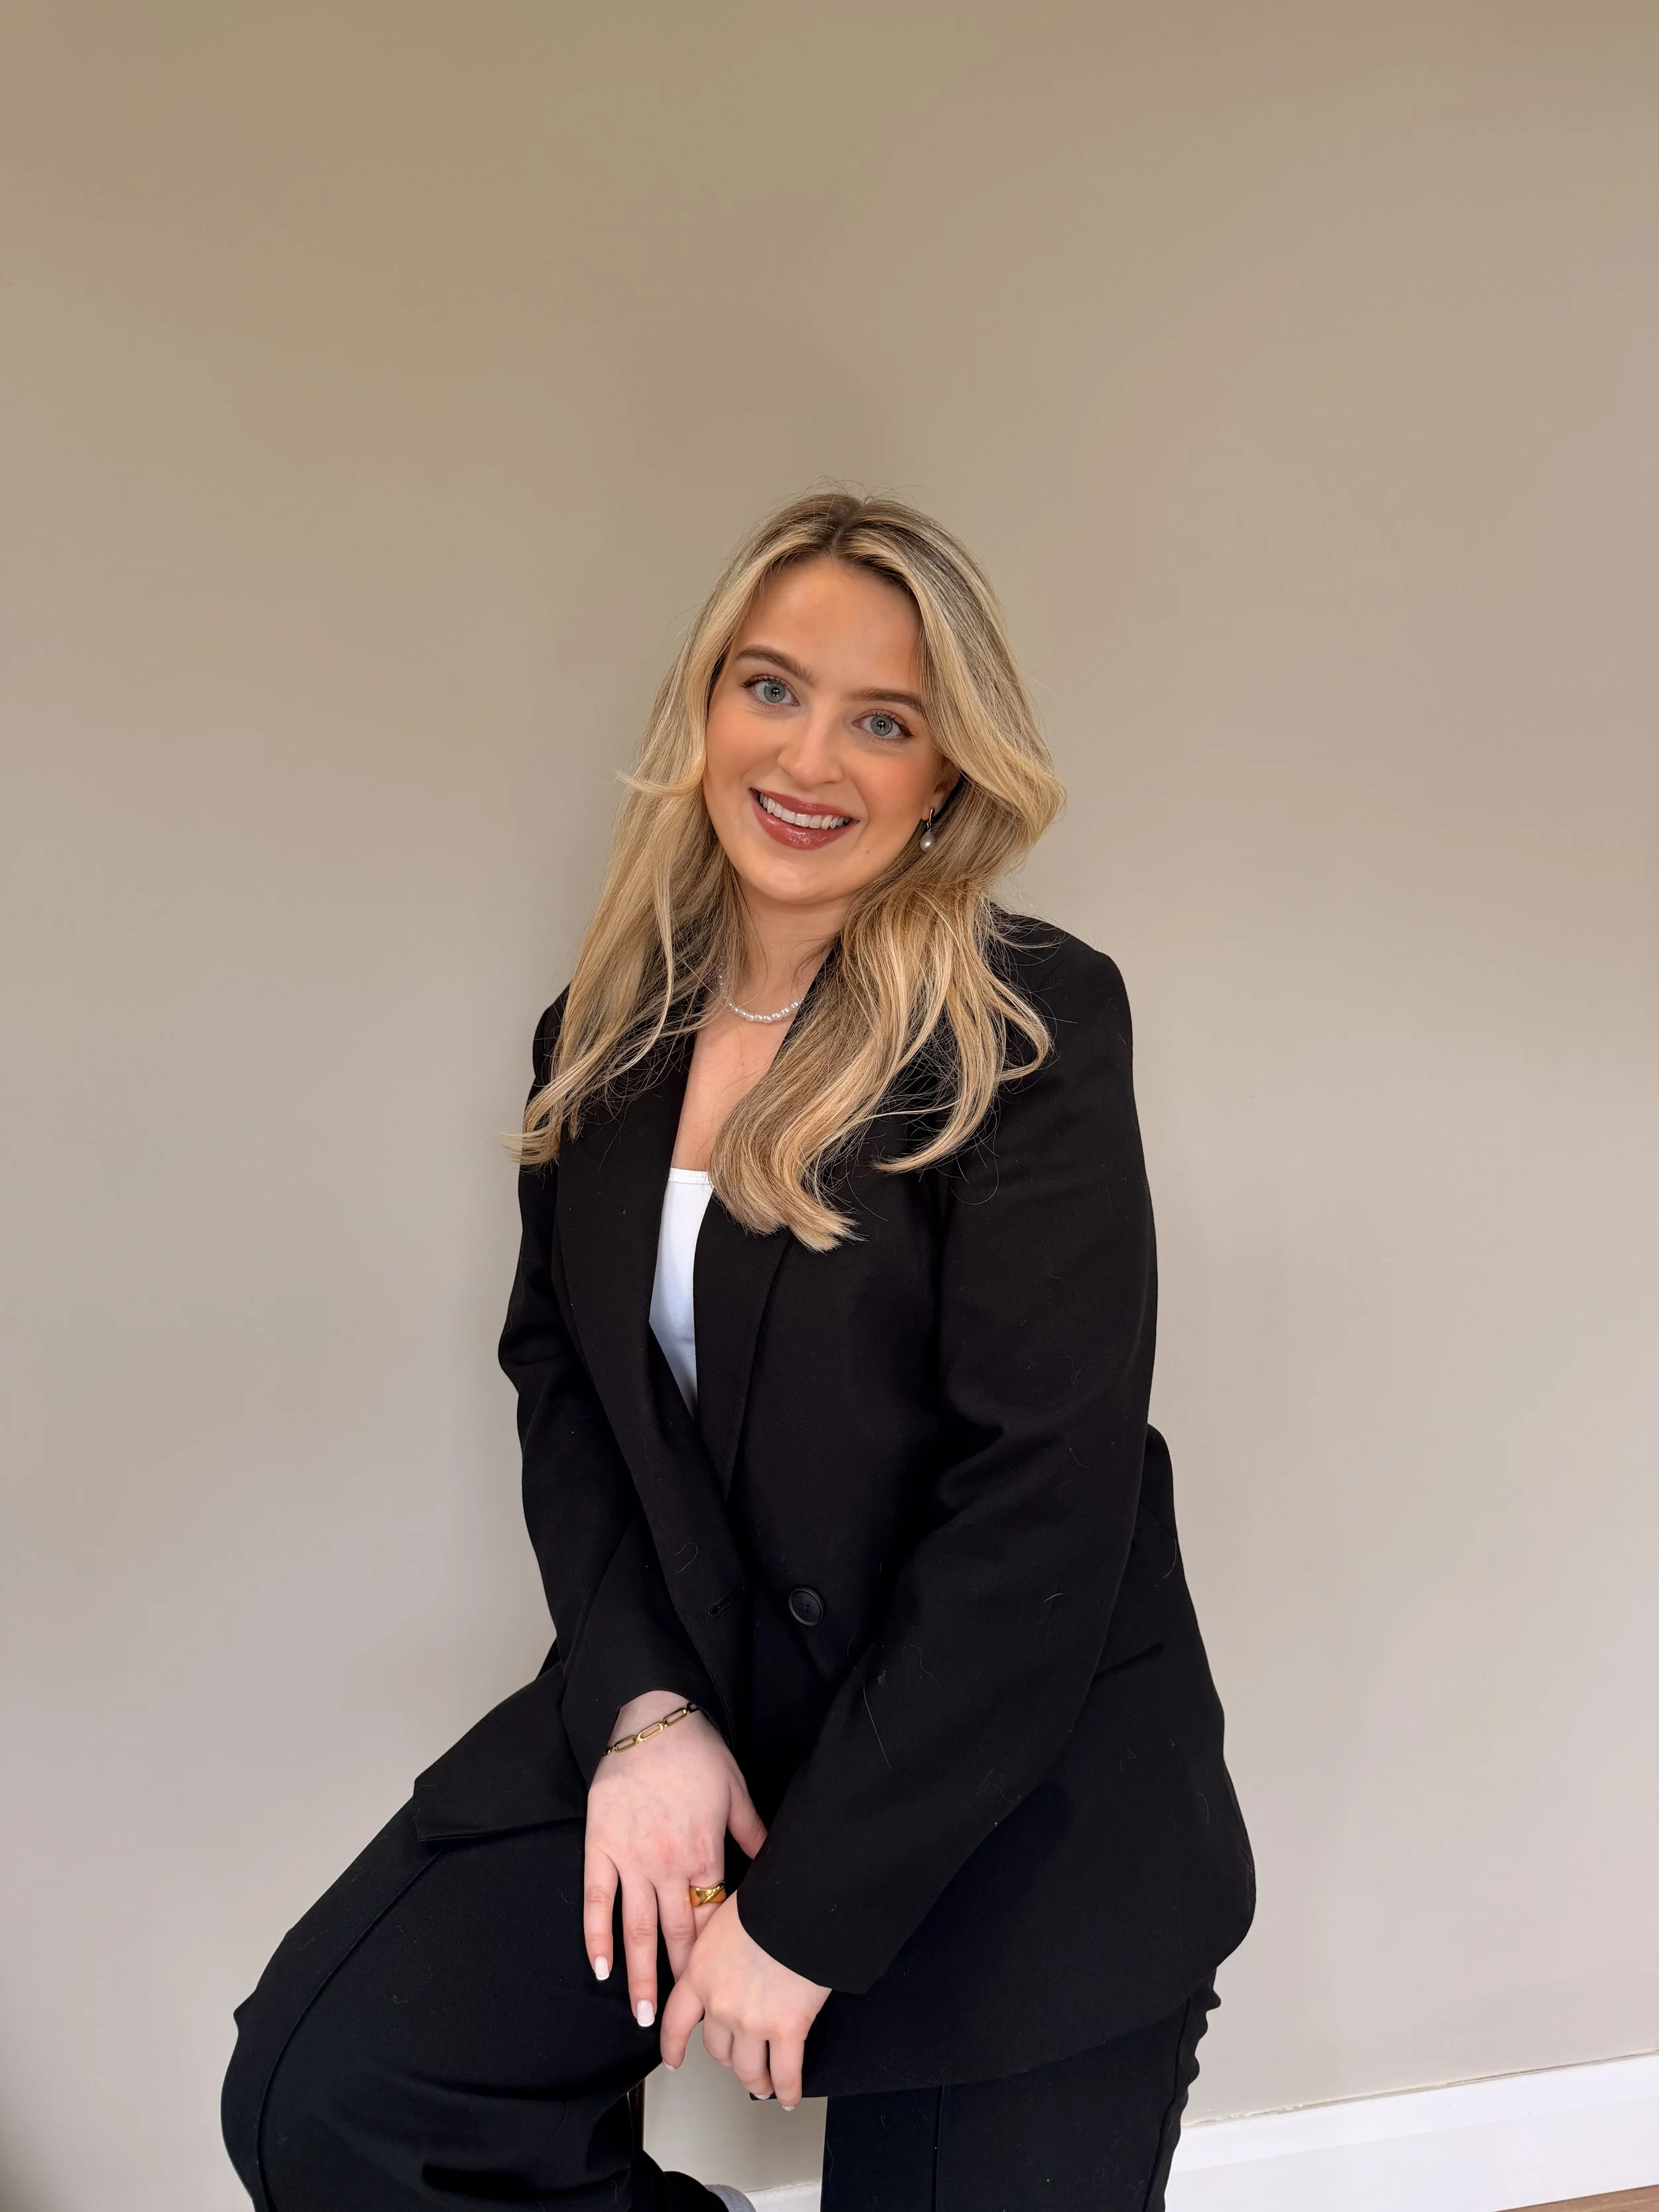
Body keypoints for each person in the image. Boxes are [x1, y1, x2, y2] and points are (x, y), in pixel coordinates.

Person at [222, 490, 1255, 2212]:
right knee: (340, 2091)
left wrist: (801, 1916)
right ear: (702, 705)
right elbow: (561, 1378)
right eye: (770, 687)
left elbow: (1038, 1513)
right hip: (715, 1708)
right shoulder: (599, 1037)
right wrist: (643, 1707)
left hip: (1006, 1787)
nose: (811, 756)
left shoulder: (1028, 1026)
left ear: (946, 772)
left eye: (884, 718)